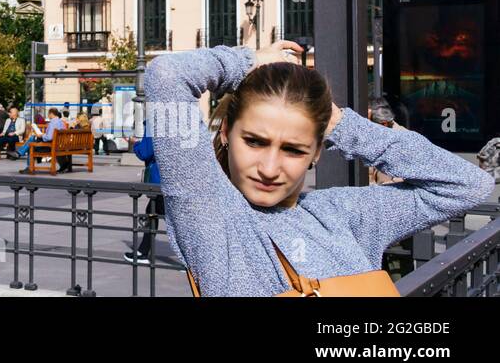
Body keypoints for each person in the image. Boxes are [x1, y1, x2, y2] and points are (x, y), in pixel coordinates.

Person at [148, 40, 494, 296]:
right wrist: (250, 60)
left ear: (316, 152)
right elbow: (166, 75)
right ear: (226, 133)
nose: (269, 168)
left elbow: (467, 185)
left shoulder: (341, 214)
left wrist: (341, 125)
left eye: (294, 150)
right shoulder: (210, 216)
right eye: (254, 141)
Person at [126, 123, 163, 265]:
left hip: (160, 178)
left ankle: (192, 262)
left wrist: (135, 144)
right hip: (175, 179)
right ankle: (143, 251)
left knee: (171, 218)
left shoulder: (154, 121)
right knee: (152, 212)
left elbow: (146, 152)